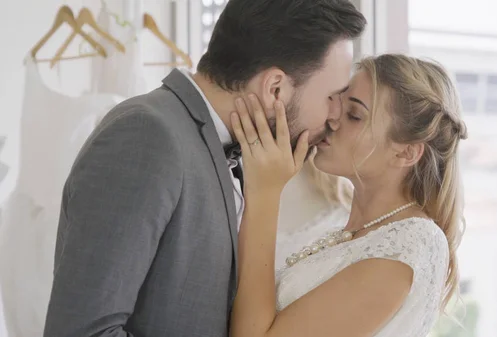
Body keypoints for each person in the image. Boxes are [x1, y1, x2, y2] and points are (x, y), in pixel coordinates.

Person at [43, 1, 366, 336]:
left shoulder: (239, 153)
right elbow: (82, 331)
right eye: (332, 97)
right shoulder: (146, 135)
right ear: (275, 89)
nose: (334, 116)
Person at [228, 53, 468, 337]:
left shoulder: (411, 244)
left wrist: (264, 193)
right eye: (336, 104)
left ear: (407, 152)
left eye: (355, 115)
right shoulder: (353, 233)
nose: (332, 119)